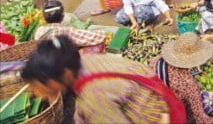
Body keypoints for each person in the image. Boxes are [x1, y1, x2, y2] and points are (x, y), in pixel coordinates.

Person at [21, 36, 187, 123]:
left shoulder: (94, 98)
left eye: (41, 85)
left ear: (64, 74)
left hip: (160, 118)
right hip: (158, 99)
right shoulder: (86, 61)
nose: (38, 93)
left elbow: (94, 108)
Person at [151, 33, 213, 124]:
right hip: (173, 115)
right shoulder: (188, 84)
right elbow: (200, 120)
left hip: (154, 109)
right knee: (209, 99)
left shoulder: (156, 61)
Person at [34, 0, 106, 50]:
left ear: (44, 18)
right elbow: (94, 37)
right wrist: (104, 33)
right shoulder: (66, 31)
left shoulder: (39, 31)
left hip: (45, 65)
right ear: (62, 17)